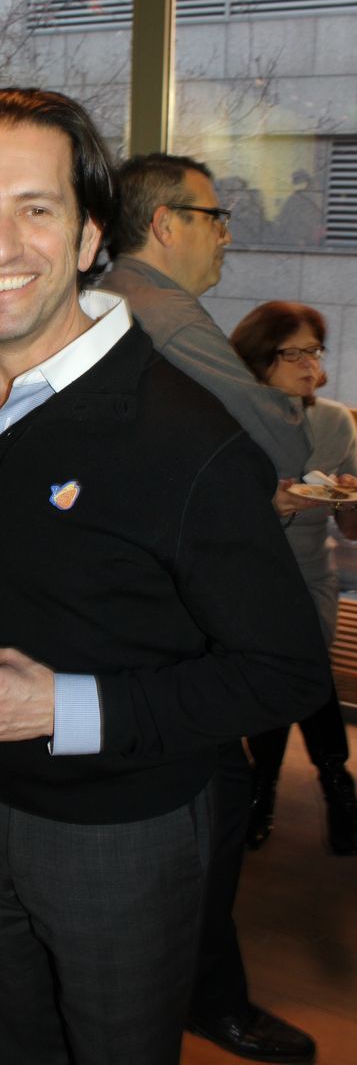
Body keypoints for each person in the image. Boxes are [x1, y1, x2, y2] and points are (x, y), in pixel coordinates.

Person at [0, 88, 330, 1065]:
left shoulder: (183, 436)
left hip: (121, 828)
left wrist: (62, 704)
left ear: (92, 234)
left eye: (35, 207)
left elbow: (285, 669)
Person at [101, 153, 321, 1063]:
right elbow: (274, 430)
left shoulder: (104, 301)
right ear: (164, 224)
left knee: (208, 801)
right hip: (154, 613)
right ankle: (196, 997)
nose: (226, 231)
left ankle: (197, 989)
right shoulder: (159, 310)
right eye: (213, 214)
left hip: (126, 596)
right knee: (209, 803)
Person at [231, 302, 357, 854]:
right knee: (292, 668)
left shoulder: (333, 420)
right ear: (260, 360)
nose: (310, 364)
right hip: (246, 575)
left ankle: (265, 790)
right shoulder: (231, 419)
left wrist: (352, 497)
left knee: (292, 662)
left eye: (315, 351)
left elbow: (348, 527)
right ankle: (336, 787)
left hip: (310, 573)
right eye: (294, 353)